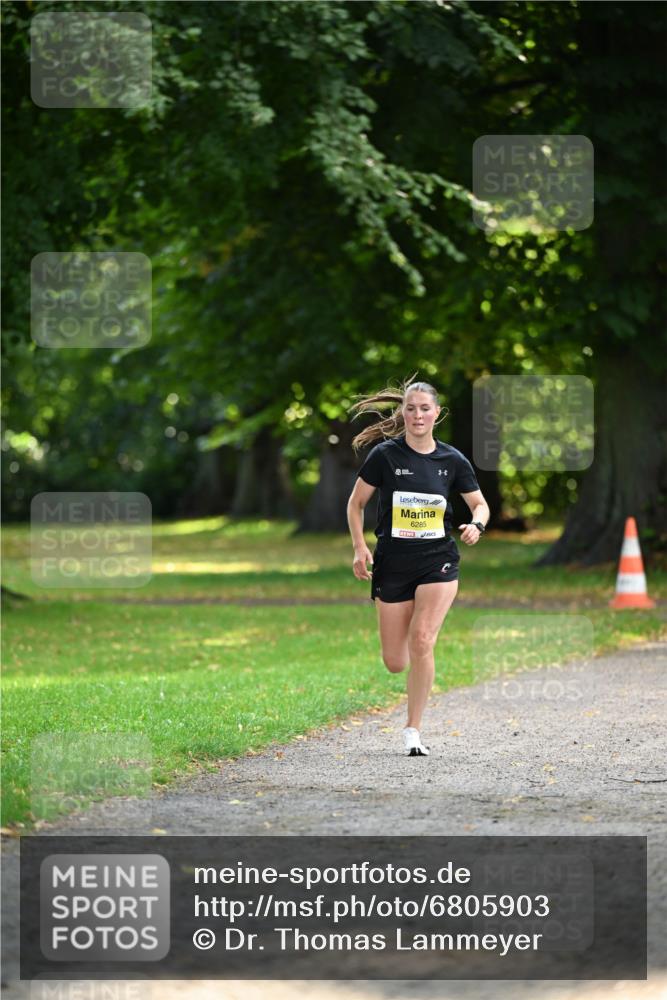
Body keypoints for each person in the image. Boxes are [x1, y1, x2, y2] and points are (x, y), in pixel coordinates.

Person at [346, 378, 490, 757]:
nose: (417, 415)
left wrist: (477, 525)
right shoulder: (385, 456)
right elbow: (355, 504)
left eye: (425, 408)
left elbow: (480, 504)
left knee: (423, 640)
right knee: (396, 662)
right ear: (403, 413)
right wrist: (360, 548)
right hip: (393, 564)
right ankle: (414, 669)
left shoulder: (452, 460)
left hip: (437, 561)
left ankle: (413, 729)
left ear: (436, 413)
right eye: (411, 408)